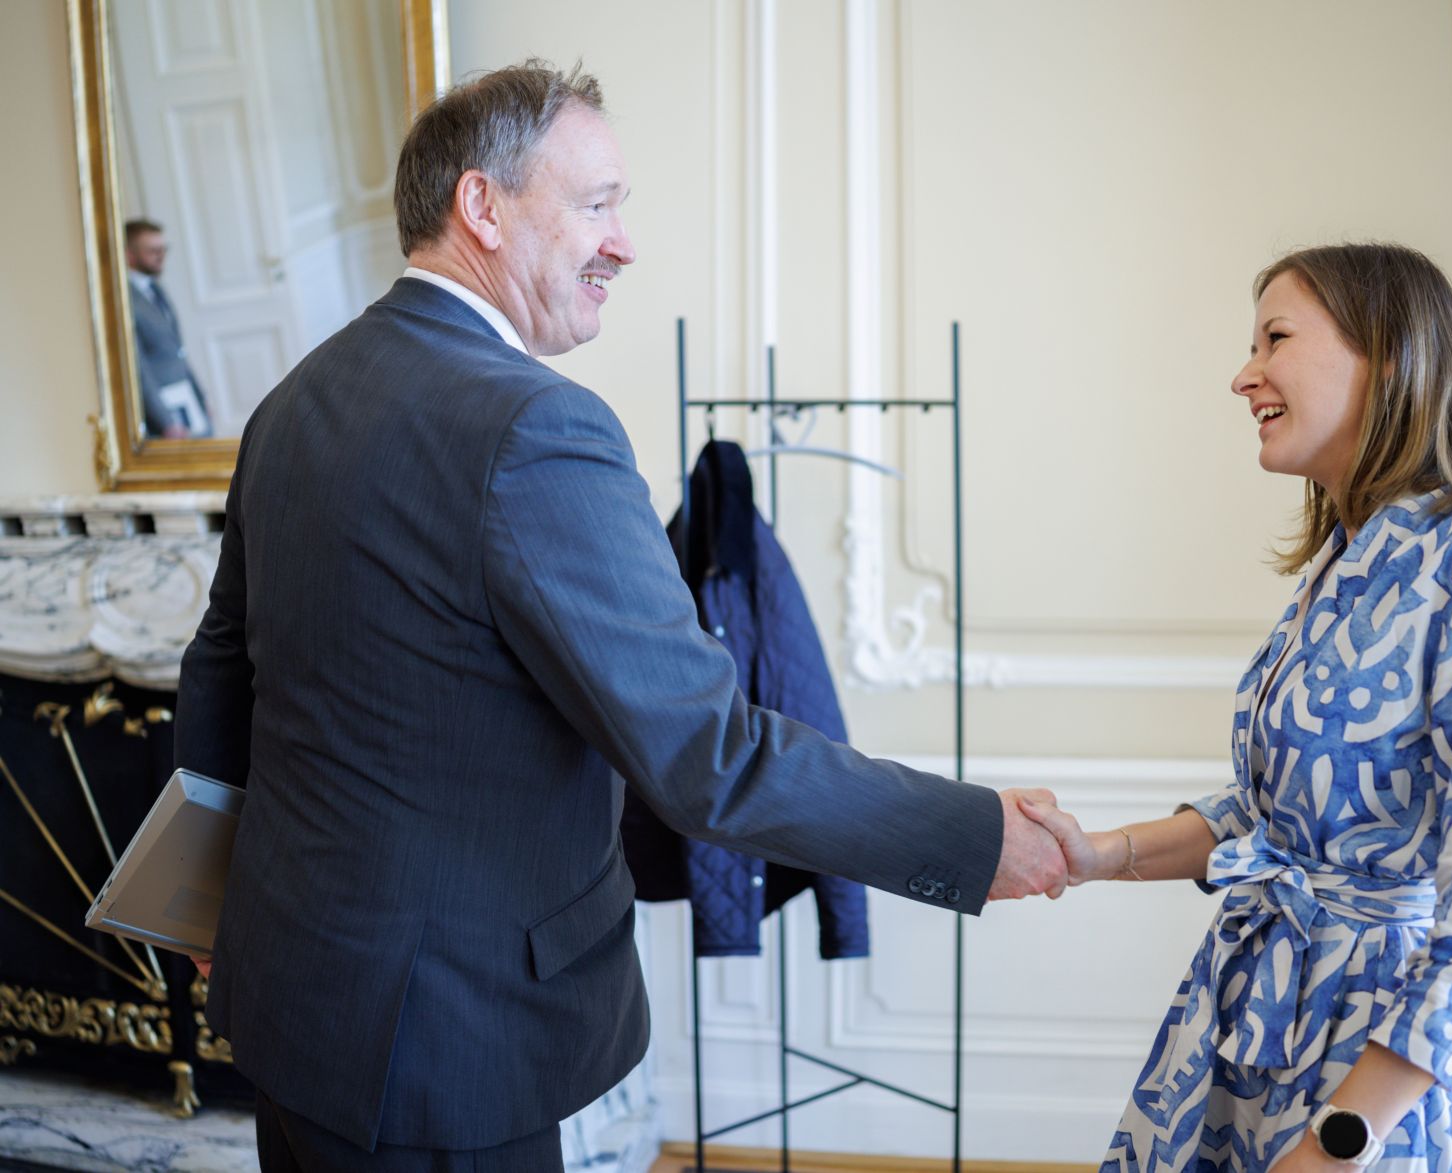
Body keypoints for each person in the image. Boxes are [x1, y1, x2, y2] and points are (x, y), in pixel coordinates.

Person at [173, 61, 1066, 1172]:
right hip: (448, 1046)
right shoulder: (536, 428)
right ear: (482, 208)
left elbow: (218, 682)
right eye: (596, 204)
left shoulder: (290, 406)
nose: (622, 242)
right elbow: (710, 754)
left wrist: (201, 913)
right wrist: (972, 839)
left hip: (290, 994)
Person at [1022, 243, 1452, 1172]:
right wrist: (1097, 856)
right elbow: (1268, 821)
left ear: (1390, 355)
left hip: (1382, 1082)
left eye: (1275, 338)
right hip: (1256, 1028)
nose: (1243, 375)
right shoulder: (1341, 559)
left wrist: (1338, 1144)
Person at [124, 218, 213, 439]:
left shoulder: (155, 289)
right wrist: (165, 421)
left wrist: (201, 398)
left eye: (163, 249)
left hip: (185, 396)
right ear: (129, 255)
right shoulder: (126, 299)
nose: (161, 255)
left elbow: (177, 349)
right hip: (162, 409)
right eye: (152, 250)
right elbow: (138, 366)